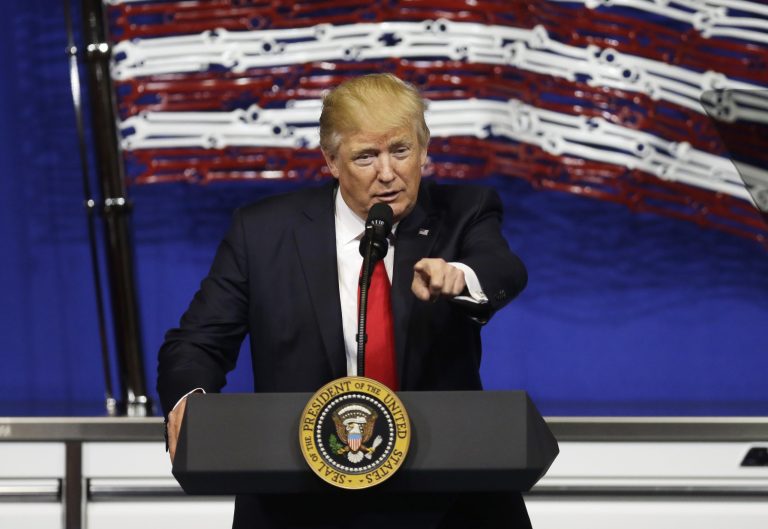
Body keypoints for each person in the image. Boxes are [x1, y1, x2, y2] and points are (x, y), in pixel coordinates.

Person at [158, 73, 529, 528]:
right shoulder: (263, 232)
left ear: (425, 148)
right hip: (297, 495)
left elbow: (502, 267)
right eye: (366, 156)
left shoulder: (464, 211)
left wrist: (460, 276)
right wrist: (188, 400)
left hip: (447, 497)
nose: (387, 173)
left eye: (401, 150)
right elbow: (197, 341)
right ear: (332, 161)